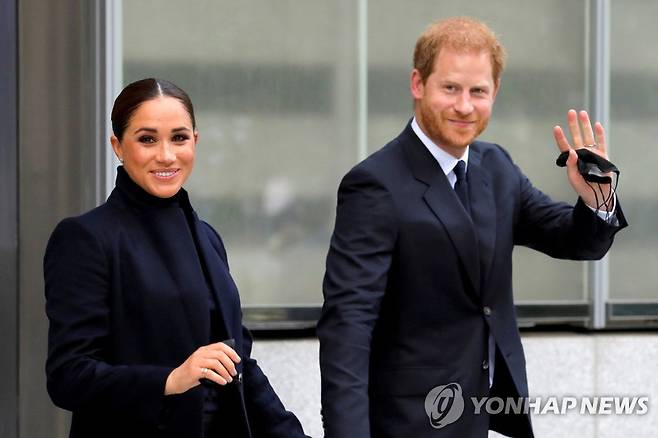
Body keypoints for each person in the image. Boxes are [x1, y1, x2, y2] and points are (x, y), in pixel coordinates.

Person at [318, 17, 627, 438]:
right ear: (417, 83)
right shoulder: (375, 184)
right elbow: (348, 327)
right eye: (450, 88)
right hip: (407, 424)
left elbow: (572, 239)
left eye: (478, 91)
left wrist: (597, 199)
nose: (465, 105)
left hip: (481, 416)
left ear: (494, 92)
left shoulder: (496, 166)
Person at [44, 78, 308, 438]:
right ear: (118, 146)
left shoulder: (208, 239)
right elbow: (68, 376)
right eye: (147, 139)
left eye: (179, 137)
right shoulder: (85, 238)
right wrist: (170, 379)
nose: (166, 155)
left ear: (195, 142)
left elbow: (238, 363)